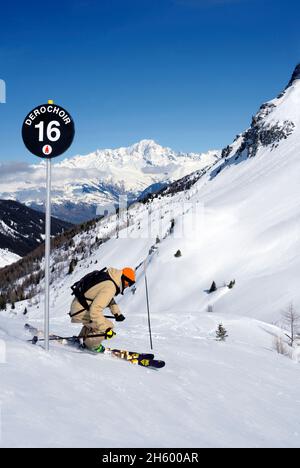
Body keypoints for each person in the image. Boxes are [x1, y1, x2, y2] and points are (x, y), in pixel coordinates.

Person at [69, 267, 136, 352]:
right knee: (107, 326)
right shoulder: (110, 287)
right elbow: (95, 310)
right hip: (81, 310)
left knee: (96, 322)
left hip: (79, 306)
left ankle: (82, 338)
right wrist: (105, 329)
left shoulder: (109, 279)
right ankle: (91, 345)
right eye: (128, 283)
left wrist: (117, 313)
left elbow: (108, 298)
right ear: (123, 278)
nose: (127, 286)